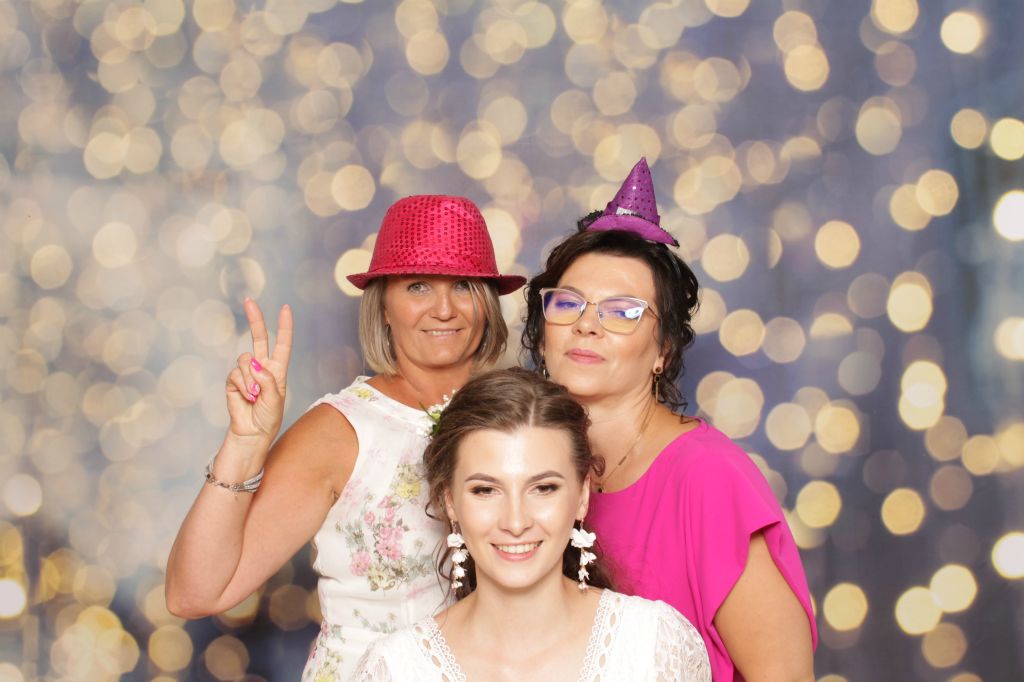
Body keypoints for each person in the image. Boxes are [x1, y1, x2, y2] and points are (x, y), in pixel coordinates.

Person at [164, 195, 526, 680]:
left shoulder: (525, 419)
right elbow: (193, 594)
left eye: (462, 285)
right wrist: (245, 444)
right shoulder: (340, 431)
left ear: (488, 302)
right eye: (418, 286)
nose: (444, 309)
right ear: (384, 306)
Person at [522, 159, 818, 681]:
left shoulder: (708, 477)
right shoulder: (520, 462)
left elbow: (784, 674)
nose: (587, 325)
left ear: (663, 349)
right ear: (543, 336)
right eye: (568, 304)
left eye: (623, 311)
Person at [352, 368, 712, 681]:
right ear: (450, 501)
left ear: (582, 495)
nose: (515, 521)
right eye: (485, 490)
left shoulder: (655, 645)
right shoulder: (396, 668)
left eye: (543, 488)